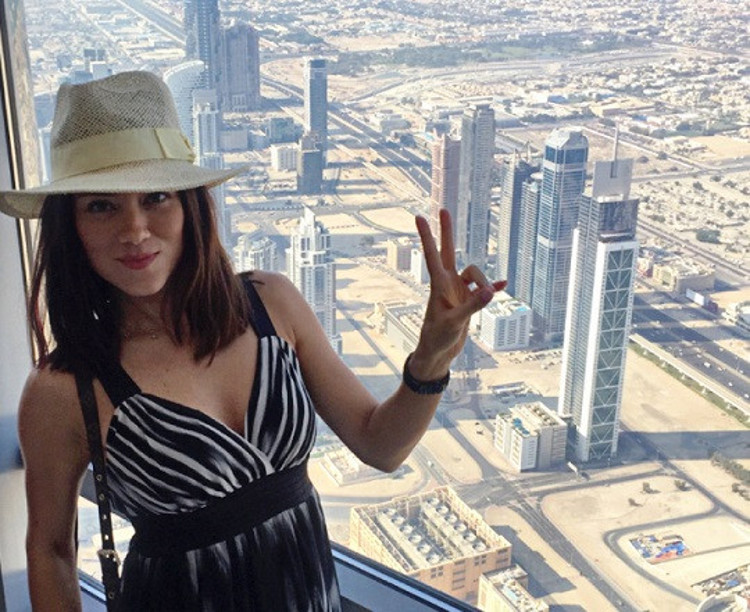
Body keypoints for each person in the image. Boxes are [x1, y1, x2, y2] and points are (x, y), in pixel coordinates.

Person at [0, 70, 505, 611]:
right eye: (101, 206)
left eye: (157, 197)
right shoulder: (62, 389)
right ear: (70, 226)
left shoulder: (272, 303)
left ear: (190, 205)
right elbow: (50, 551)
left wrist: (430, 358)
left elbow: (380, 446)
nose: (135, 229)